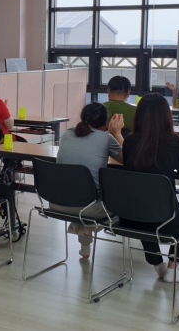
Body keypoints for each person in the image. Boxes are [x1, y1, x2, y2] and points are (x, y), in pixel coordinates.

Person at [122, 93, 179, 283]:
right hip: (165, 219)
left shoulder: (129, 141)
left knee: (145, 210)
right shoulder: (173, 141)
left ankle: (157, 264)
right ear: (166, 116)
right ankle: (172, 270)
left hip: (128, 216)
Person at [53, 103, 124, 259]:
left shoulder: (66, 135)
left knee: (81, 191)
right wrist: (117, 133)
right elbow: (129, 159)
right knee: (109, 198)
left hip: (56, 203)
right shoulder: (106, 138)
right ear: (104, 126)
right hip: (87, 208)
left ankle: (85, 248)